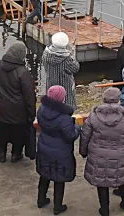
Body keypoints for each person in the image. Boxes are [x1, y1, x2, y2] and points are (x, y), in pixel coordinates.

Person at [80, 87, 124, 216]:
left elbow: (85, 135)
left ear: (103, 99)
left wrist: (83, 151)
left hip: (98, 155)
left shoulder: (94, 116)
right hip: (121, 155)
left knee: (102, 182)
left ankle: (105, 209)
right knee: (123, 178)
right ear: (119, 100)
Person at [0, 42, 36, 163]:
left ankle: (1, 153)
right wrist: (31, 113)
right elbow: (29, 95)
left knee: (1, 131)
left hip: (0, 107)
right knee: (18, 134)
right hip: (18, 111)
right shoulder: (23, 72)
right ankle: (16, 154)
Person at [36, 86, 80, 215]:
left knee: (44, 174)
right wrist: (77, 127)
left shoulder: (41, 109)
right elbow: (71, 136)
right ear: (62, 98)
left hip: (44, 146)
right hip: (61, 151)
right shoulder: (64, 117)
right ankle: (57, 206)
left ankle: (41, 199)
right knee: (59, 178)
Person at [38, 32, 80, 107]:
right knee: (66, 106)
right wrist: (72, 55)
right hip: (65, 86)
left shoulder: (45, 54)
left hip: (51, 84)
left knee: (52, 104)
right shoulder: (67, 59)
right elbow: (76, 68)